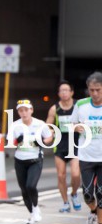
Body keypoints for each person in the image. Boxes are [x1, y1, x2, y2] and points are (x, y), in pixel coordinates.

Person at [11, 99, 53, 224]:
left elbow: (50, 137)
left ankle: (35, 209)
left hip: (35, 159)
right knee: (23, 190)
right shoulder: (15, 125)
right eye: (21, 111)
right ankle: (32, 212)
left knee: (31, 186)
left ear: (31, 110)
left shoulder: (40, 124)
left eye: (26, 110)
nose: (24, 113)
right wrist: (17, 141)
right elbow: (10, 143)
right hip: (20, 160)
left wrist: (41, 141)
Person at [70, 72, 102, 224]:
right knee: (88, 194)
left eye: (98, 90)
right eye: (92, 90)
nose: (95, 93)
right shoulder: (81, 104)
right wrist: (76, 128)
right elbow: (72, 124)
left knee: (101, 193)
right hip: (86, 155)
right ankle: (94, 211)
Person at [45, 81, 82, 213]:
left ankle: (74, 194)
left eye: (67, 90)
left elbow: (86, 122)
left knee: (75, 174)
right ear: (59, 93)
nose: (64, 93)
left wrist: (81, 128)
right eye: (62, 90)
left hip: (76, 144)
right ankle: (66, 202)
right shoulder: (55, 108)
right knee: (61, 176)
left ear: (72, 92)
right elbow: (48, 125)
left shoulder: (79, 106)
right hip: (60, 145)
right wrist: (50, 132)